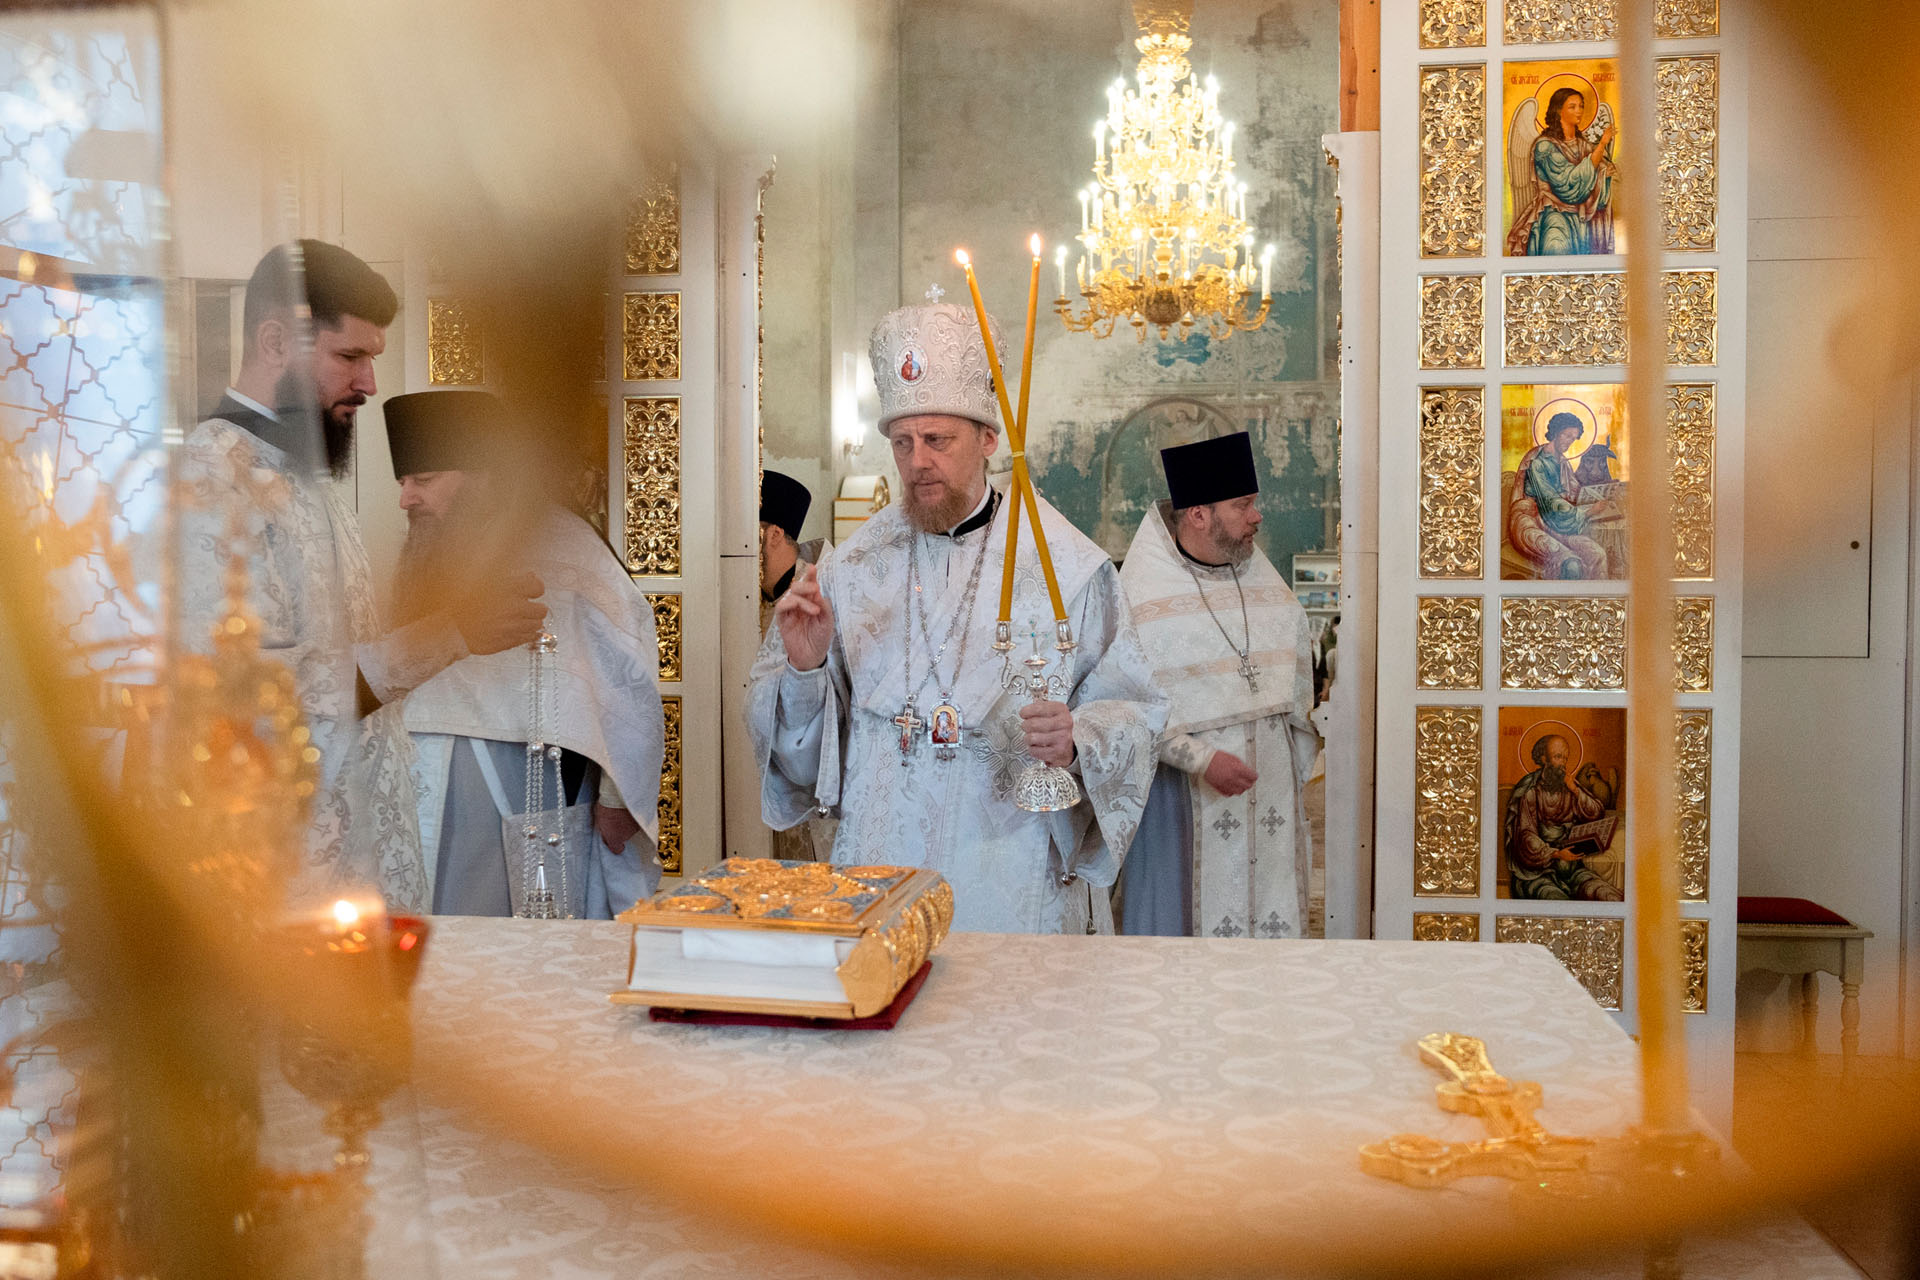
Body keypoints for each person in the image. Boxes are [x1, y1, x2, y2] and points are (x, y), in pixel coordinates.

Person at [745, 299, 1165, 933]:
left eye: (937, 440)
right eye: (902, 443)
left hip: (1011, 872)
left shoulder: (1068, 567)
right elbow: (802, 769)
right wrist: (805, 672)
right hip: (880, 873)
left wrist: (1078, 738)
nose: (917, 461)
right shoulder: (849, 569)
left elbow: (1136, 708)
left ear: (988, 439)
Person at [176, 241, 545, 908]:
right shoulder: (208, 482)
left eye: (372, 359)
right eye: (350, 356)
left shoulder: (308, 481)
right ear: (275, 342)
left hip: (357, 866)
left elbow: (349, 661)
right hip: (279, 883)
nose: (370, 384)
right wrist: (449, 634)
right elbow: (254, 702)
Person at [386, 390, 666, 917]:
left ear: (482, 477)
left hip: (527, 792)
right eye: (403, 482)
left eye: (423, 479)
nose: (406, 499)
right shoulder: (416, 556)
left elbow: (629, 676)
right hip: (415, 786)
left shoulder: (567, 549)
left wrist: (617, 798)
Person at [1116, 433, 1320, 938]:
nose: (1257, 516)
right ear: (1198, 514)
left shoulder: (1269, 591)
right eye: (1243, 505)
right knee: (1183, 945)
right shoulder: (1139, 600)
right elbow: (1124, 709)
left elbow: (1295, 708)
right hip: (1180, 801)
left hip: (1270, 803)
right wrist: (1202, 760)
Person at [1504, 734, 1624, 901]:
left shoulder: (1568, 786)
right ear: (1544, 758)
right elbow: (1525, 836)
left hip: (1571, 870)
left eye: (1565, 758)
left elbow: (1596, 813)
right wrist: (1556, 854)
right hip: (1537, 874)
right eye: (1558, 757)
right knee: (1557, 900)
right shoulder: (1530, 792)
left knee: (1607, 895)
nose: (1562, 763)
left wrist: (1575, 790)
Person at [1508, 86, 1616, 256]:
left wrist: (1604, 175)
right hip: (1555, 218)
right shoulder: (1544, 147)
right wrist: (1602, 145)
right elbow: (1568, 185)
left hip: (1583, 220)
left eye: (1581, 106)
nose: (1579, 111)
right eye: (1572, 107)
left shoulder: (1585, 146)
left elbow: (1598, 185)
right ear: (1558, 111)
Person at [1507, 410, 1616, 579]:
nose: (1570, 442)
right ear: (1556, 432)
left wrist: (1603, 491)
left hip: (1557, 523)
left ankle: (1596, 595)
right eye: (1567, 435)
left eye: (1573, 438)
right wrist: (1588, 512)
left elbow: (1575, 492)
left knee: (1598, 554)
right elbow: (1550, 501)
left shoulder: (1562, 461)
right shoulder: (1537, 461)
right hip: (1531, 522)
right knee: (1571, 564)